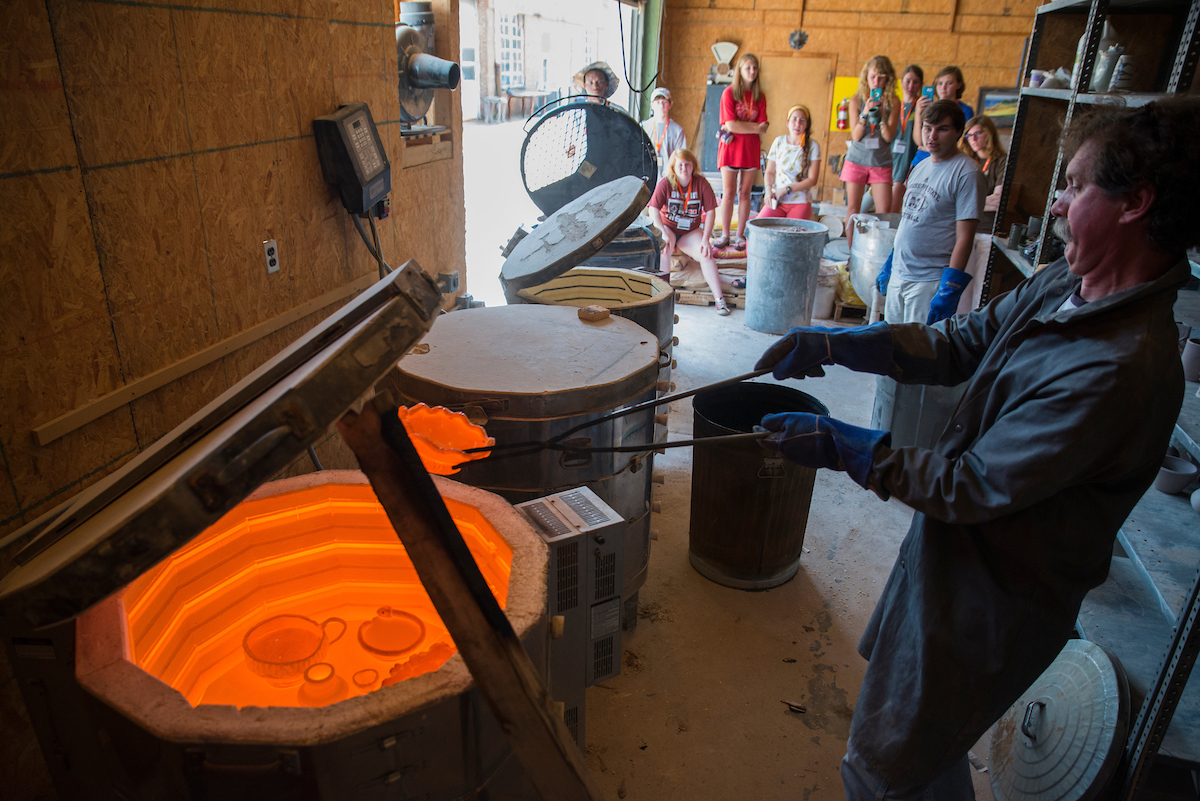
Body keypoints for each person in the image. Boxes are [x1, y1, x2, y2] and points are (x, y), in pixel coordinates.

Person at [754, 95, 1200, 801]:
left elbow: (970, 485)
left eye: (1078, 185)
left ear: (1135, 203)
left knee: (882, 766)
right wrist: (837, 342)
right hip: (952, 564)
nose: (1056, 202)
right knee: (926, 752)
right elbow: (959, 342)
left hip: (993, 602)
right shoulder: (1066, 284)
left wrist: (848, 447)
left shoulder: (1120, 369)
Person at [884, 100, 984, 326]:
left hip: (928, 281)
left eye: (942, 129)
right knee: (889, 348)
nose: (932, 136)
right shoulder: (920, 166)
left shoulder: (967, 173)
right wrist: (891, 260)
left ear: (958, 131)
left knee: (916, 354)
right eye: (927, 128)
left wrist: (950, 287)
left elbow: (965, 237)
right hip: (900, 274)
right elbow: (909, 219)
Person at [647, 148, 731, 316]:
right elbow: (653, 209)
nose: (684, 168)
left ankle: (719, 299)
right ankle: (664, 297)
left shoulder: (701, 183)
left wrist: (706, 239)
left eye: (687, 164)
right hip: (669, 227)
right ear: (673, 167)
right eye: (680, 165)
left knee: (705, 253)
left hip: (690, 231)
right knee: (665, 249)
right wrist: (662, 231)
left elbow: (711, 211)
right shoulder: (666, 182)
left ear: (693, 166)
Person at [714, 53, 768, 251]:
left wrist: (739, 126)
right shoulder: (729, 93)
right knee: (728, 193)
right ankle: (725, 234)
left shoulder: (759, 96)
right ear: (740, 70)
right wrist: (753, 127)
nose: (752, 71)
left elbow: (764, 126)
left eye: (755, 68)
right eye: (748, 68)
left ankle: (740, 235)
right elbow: (730, 125)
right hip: (731, 148)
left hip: (750, 150)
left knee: (745, 193)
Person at [842, 56, 901, 236]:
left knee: (884, 212)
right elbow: (856, 135)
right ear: (866, 77)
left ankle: (878, 256)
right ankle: (853, 256)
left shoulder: (894, 101)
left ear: (888, 79)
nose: (876, 81)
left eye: (881, 77)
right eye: (873, 76)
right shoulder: (856, 100)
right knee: (853, 209)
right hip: (856, 160)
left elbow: (889, 136)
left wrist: (882, 115)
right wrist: (865, 113)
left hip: (881, 161)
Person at [757, 104, 821, 221]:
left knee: (792, 235)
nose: (797, 124)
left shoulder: (813, 146)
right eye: (794, 119)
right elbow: (770, 172)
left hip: (800, 201)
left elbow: (812, 180)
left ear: (806, 125)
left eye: (802, 120)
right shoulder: (779, 142)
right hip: (777, 200)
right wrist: (768, 190)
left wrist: (786, 189)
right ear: (787, 123)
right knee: (756, 228)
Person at [961, 114, 1009, 231]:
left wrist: (965, 204)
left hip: (987, 228)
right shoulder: (964, 160)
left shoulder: (1002, 160)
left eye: (977, 133)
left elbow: (998, 201)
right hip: (962, 226)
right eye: (969, 135)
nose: (973, 139)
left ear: (989, 133)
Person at [915, 66, 973, 149]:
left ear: (959, 85)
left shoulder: (966, 110)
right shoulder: (929, 107)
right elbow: (919, 142)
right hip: (923, 155)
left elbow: (962, 142)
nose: (943, 88)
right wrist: (918, 112)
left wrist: (929, 148)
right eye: (940, 83)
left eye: (949, 83)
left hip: (948, 155)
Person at [891, 65, 924, 213]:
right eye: (908, 81)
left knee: (896, 203)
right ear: (901, 82)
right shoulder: (894, 104)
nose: (911, 86)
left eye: (915, 82)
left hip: (910, 156)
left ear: (921, 85)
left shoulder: (922, 107)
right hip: (891, 156)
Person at [643, 87, 687, 181]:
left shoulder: (677, 131)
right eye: (657, 102)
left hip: (668, 180)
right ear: (652, 105)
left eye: (664, 102)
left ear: (670, 105)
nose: (661, 105)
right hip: (647, 178)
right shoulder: (644, 127)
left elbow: (681, 158)